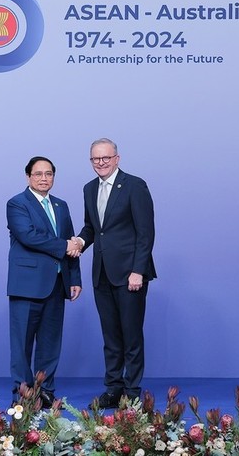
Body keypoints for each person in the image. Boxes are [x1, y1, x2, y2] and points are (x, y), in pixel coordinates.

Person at [73, 138, 156, 409]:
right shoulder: (88, 189)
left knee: (131, 335)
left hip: (130, 275)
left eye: (106, 158)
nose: (101, 162)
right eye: (95, 159)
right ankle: (113, 388)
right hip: (102, 274)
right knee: (110, 336)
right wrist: (80, 243)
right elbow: (92, 228)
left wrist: (138, 271)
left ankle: (132, 392)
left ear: (117, 158)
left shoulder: (135, 185)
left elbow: (145, 233)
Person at [6, 156, 83, 408]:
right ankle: (24, 393)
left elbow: (72, 246)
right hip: (27, 285)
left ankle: (46, 390)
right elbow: (29, 236)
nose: (43, 178)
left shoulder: (61, 205)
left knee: (50, 343)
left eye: (48, 174)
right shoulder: (17, 203)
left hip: (57, 283)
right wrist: (65, 245)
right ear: (28, 176)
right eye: (38, 174)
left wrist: (74, 278)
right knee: (22, 344)